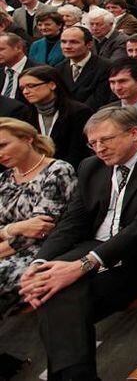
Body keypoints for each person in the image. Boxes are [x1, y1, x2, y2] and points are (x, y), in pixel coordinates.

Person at [21, 107, 137, 381]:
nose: (99, 149)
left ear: (134, 133)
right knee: (48, 284)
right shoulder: (91, 166)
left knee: (59, 297)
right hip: (92, 245)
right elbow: (73, 221)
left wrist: (83, 265)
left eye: (105, 140)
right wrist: (39, 263)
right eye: (93, 143)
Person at [0, 119, 76, 318]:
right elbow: (22, 230)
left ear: (28, 139)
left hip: (43, 252)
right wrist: (15, 228)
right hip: (8, 253)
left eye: (3, 145)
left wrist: (8, 232)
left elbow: (40, 230)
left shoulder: (57, 170)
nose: (0, 154)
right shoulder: (4, 179)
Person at [20, 66, 94, 169]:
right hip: (36, 170)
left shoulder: (79, 112)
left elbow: (78, 152)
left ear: (52, 85)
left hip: (68, 170)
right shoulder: (25, 114)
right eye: (22, 88)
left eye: (31, 86)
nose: (25, 92)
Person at [54, 25, 112, 109]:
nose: (67, 46)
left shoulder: (106, 67)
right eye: (63, 42)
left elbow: (100, 100)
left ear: (89, 44)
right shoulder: (59, 69)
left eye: (74, 42)